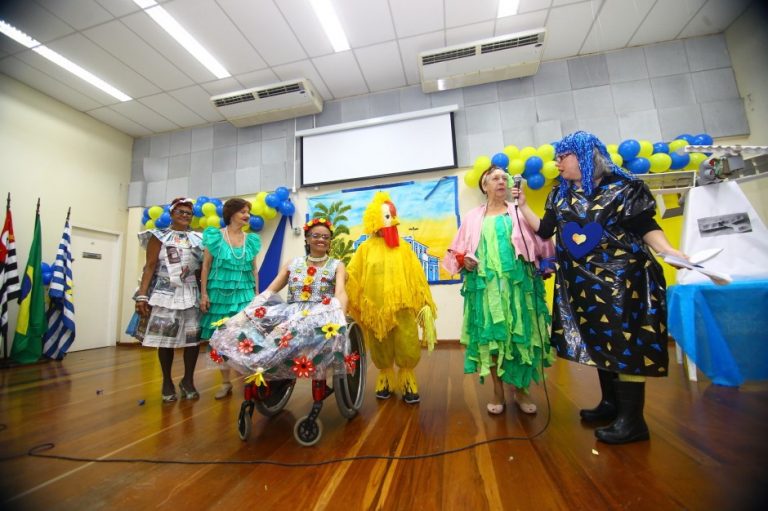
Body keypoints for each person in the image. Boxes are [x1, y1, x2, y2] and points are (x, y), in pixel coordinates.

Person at [512, 130, 687, 444]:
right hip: (582, 284)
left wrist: (669, 251)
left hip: (623, 280)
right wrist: (524, 206)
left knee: (624, 344)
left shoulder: (623, 188)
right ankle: (611, 405)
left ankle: (633, 422)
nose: (556, 163)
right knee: (599, 340)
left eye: (561, 156)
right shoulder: (560, 192)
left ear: (583, 156)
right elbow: (546, 229)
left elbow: (645, 225)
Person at [443, 167, 555, 416]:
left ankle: (521, 389)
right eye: (495, 178)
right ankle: (497, 391)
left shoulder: (519, 212)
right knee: (492, 340)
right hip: (486, 291)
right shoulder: (473, 218)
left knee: (520, 338)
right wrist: (465, 261)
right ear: (484, 186)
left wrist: (545, 263)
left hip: (519, 290)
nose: (501, 181)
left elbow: (543, 238)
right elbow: (456, 252)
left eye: (504, 177)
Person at [208, 218, 349, 395]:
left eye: (326, 237)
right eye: (316, 235)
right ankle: (273, 374)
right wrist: (250, 308)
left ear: (330, 242)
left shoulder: (337, 265)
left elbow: (341, 292)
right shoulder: (293, 263)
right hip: (292, 312)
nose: (321, 239)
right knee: (260, 331)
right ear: (306, 238)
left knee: (307, 333)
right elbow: (271, 289)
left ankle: (314, 381)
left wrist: (339, 316)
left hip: (320, 313)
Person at [346, 192, 437, 405]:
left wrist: (423, 302)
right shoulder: (364, 249)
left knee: (407, 342)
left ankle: (407, 380)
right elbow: (353, 274)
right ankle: (385, 377)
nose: (394, 221)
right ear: (375, 220)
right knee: (380, 344)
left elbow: (417, 276)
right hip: (376, 311)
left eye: (393, 216)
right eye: (388, 217)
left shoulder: (404, 248)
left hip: (404, 308)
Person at [135, 197, 203, 402]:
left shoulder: (198, 239)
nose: (184, 216)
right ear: (172, 214)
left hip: (191, 294)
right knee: (165, 340)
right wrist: (142, 294)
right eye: (180, 212)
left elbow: (203, 269)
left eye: (188, 213)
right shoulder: (159, 237)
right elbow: (149, 266)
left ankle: (188, 380)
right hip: (165, 295)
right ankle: (167, 381)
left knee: (193, 340)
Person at [200, 197, 261, 399]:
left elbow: (254, 270)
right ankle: (225, 383)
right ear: (231, 213)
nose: (247, 216)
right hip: (219, 295)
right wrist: (204, 293)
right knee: (221, 339)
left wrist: (257, 296)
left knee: (245, 338)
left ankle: (247, 379)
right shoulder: (215, 237)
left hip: (244, 294)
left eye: (248, 212)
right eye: (243, 211)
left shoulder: (250, 240)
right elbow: (206, 266)